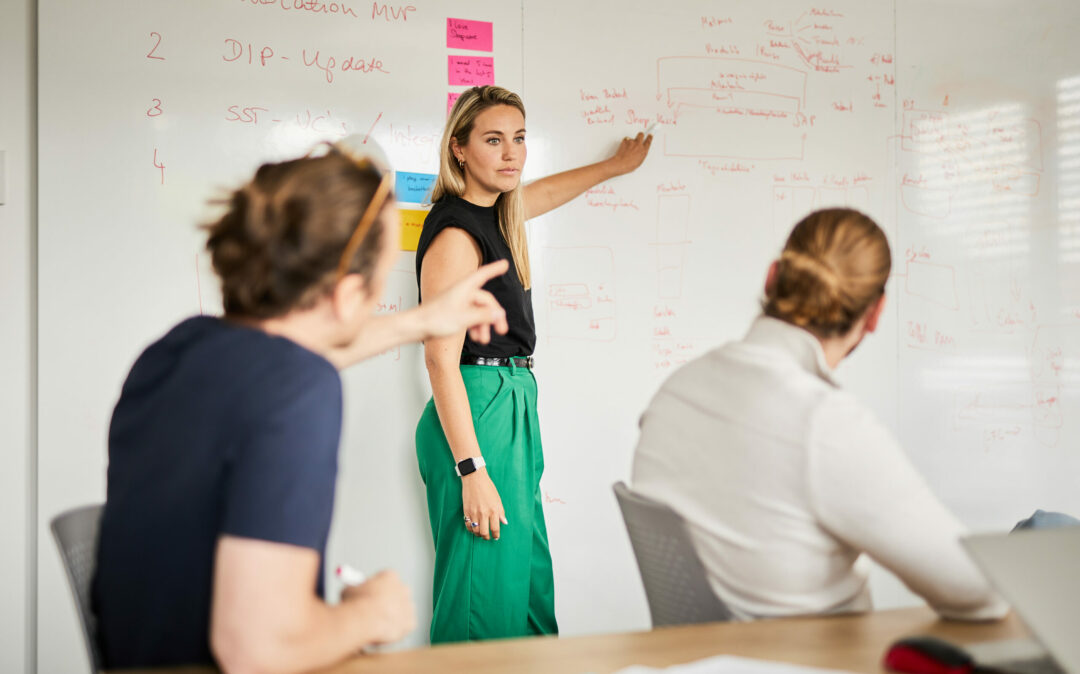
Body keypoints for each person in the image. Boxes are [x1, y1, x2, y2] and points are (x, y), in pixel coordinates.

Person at [92, 142, 510, 672]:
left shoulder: (180, 348)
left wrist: (423, 320)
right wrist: (371, 615)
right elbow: (256, 649)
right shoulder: (297, 388)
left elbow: (294, 355)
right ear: (348, 293)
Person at [631, 208, 1010, 622]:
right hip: (812, 660)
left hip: (706, 659)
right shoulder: (823, 422)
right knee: (1048, 532)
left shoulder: (676, 390)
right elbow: (978, 593)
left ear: (772, 277)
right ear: (876, 314)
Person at [414, 85, 653, 643]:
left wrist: (614, 166)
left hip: (511, 402)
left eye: (518, 139)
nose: (510, 153)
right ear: (459, 149)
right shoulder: (455, 231)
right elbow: (439, 359)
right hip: (477, 407)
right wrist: (471, 470)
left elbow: (543, 193)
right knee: (481, 601)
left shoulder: (498, 213)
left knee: (526, 591)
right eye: (493, 140)